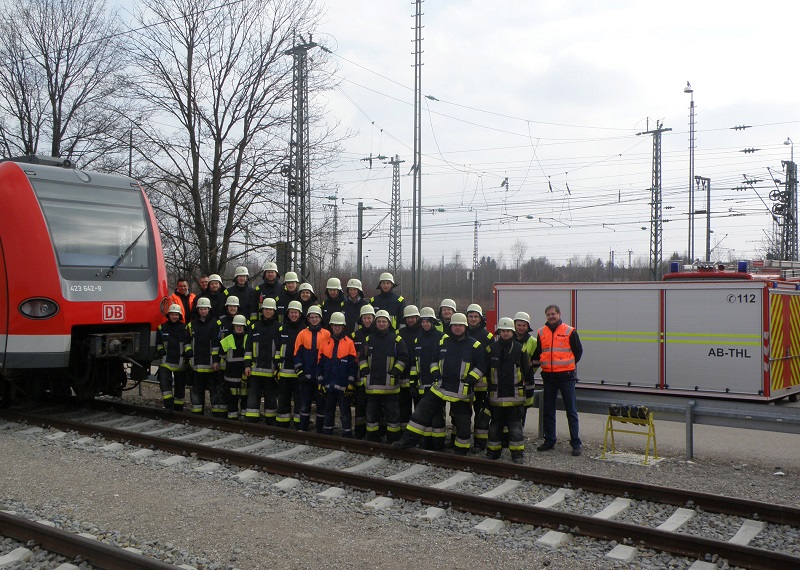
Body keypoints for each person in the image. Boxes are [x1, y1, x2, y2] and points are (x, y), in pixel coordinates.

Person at [393, 313, 486, 455]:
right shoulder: (443, 342)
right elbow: (433, 361)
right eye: (455, 325)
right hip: (440, 386)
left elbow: (482, 365)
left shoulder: (475, 345)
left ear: (465, 327)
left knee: (463, 422)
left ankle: (461, 450)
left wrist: (471, 379)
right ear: (451, 327)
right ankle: (407, 440)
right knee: (421, 412)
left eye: (460, 325)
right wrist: (435, 373)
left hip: (461, 389)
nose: (457, 328)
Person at [532, 304, 583, 456]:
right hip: (549, 377)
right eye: (548, 314)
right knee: (548, 410)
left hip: (566, 377)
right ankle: (549, 440)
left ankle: (575, 443)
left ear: (559, 314)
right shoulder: (541, 332)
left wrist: (568, 366)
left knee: (571, 411)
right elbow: (539, 353)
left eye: (553, 314)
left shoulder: (570, 331)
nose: (551, 317)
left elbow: (578, 352)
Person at [485, 317, 532, 464]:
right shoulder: (490, 349)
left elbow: (528, 373)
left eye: (508, 331)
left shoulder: (520, 349)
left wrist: (529, 397)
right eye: (503, 331)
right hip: (496, 397)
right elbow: (486, 373)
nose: (505, 333)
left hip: (515, 397)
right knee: (495, 426)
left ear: (512, 332)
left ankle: (517, 454)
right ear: (499, 332)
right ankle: (493, 452)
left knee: (515, 427)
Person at [359, 309, 409, 442]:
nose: (381, 324)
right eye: (379, 321)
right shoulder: (369, 339)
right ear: (375, 324)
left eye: (384, 321)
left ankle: (393, 440)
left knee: (393, 417)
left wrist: (396, 370)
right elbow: (362, 357)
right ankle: (373, 440)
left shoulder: (396, 339)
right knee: (371, 417)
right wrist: (364, 369)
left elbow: (404, 357)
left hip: (390, 387)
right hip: (372, 387)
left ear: (389, 323)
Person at [317, 312, 358, 436]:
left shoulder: (349, 343)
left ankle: (346, 435)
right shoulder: (324, 343)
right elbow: (320, 365)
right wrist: (320, 382)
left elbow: (353, 366)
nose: (337, 327)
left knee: (345, 412)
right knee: (328, 411)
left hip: (343, 387)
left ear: (343, 327)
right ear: (331, 326)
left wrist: (350, 383)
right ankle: (327, 434)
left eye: (339, 325)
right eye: (335, 325)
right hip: (329, 385)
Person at [410, 306, 445, 449]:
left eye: (427, 321)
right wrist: (412, 383)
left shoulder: (442, 338)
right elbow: (414, 363)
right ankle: (426, 444)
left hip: (437, 385)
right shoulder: (417, 340)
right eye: (423, 322)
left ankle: (438, 445)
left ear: (433, 322)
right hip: (421, 384)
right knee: (424, 417)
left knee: (437, 416)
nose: (425, 324)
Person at [294, 305, 330, 432]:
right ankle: (303, 429)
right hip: (306, 378)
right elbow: (297, 355)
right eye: (312, 317)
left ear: (320, 318)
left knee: (321, 405)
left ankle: (320, 432)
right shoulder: (302, 334)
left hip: (321, 378)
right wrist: (300, 372)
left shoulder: (327, 334)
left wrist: (325, 375)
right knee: (305, 405)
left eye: (316, 317)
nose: (314, 319)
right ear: (308, 319)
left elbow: (329, 356)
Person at [247, 298, 281, 424]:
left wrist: (277, 367)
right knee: (253, 395)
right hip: (255, 370)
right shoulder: (254, 327)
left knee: (270, 395)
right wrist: (247, 365)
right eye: (266, 309)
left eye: (270, 309)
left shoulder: (279, 328)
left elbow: (279, 349)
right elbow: (248, 348)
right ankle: (252, 418)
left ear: (274, 311)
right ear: (262, 310)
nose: (268, 312)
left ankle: (270, 419)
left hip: (271, 370)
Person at [465, 303, 494, 453]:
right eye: (470, 316)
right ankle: (460, 440)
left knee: (481, 414)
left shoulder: (487, 337)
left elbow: (489, 361)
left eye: (476, 316)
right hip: (464, 383)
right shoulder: (461, 333)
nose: (473, 319)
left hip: (481, 384)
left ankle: (480, 443)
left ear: (480, 319)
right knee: (462, 413)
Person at [185, 297, 219, 415]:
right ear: (197, 310)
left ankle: (216, 414)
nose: (203, 311)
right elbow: (187, 342)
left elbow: (216, 344)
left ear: (209, 309)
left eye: (205, 309)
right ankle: (197, 415)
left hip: (211, 366)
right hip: (197, 365)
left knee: (214, 391)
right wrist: (189, 352)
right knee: (196, 390)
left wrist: (216, 361)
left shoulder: (215, 324)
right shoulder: (191, 325)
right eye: (201, 309)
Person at [275, 300, 306, 428]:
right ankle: (282, 424)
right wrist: (276, 367)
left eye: (296, 313)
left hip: (299, 373)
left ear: (300, 314)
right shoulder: (282, 329)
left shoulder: (304, 330)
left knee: (299, 399)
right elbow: (277, 350)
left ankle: (299, 424)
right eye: (291, 312)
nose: (293, 315)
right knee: (283, 398)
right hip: (284, 371)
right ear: (288, 314)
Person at [216, 314, 252, 420]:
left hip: (244, 374)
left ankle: (244, 416)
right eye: (237, 326)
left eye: (241, 326)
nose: (239, 328)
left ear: (244, 326)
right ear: (233, 326)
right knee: (232, 397)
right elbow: (221, 356)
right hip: (230, 374)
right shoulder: (227, 339)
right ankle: (232, 417)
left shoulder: (248, 338)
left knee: (245, 396)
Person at [156, 304, 188, 411]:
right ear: (168, 315)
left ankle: (178, 408)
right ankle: (168, 406)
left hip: (180, 361)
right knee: (165, 385)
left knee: (180, 386)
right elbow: (159, 343)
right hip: (166, 361)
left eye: (176, 315)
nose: (174, 317)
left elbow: (188, 343)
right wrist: (161, 351)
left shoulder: (185, 328)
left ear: (180, 316)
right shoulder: (162, 328)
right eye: (172, 314)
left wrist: (186, 355)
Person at [350, 304, 375, 439]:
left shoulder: (377, 334)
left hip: (374, 379)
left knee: (374, 407)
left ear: (373, 318)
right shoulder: (355, 335)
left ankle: (374, 433)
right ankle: (359, 433)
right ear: (361, 319)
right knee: (360, 406)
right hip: (360, 379)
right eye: (364, 318)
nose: (367, 320)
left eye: (369, 318)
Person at [398, 305, 422, 427]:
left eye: (413, 317)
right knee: (403, 409)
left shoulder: (423, 332)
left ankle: (417, 433)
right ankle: (404, 432)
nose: (411, 320)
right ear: (405, 319)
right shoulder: (399, 334)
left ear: (417, 318)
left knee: (420, 410)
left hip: (420, 380)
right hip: (403, 378)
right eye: (408, 318)